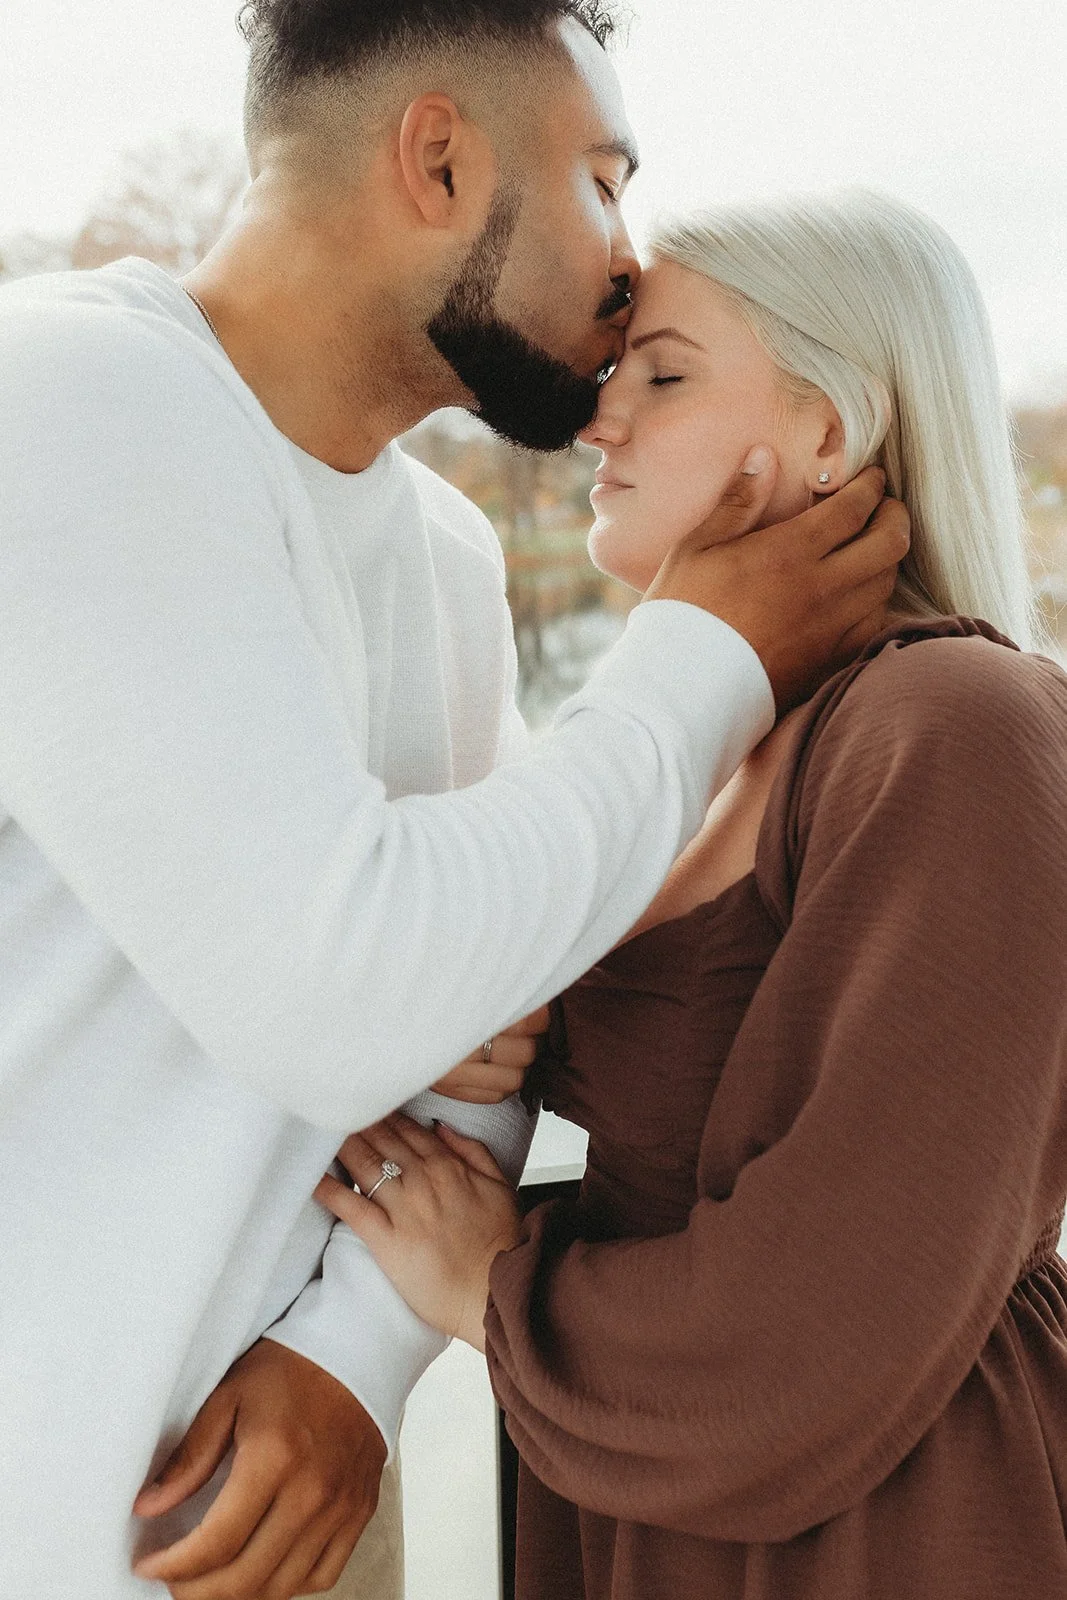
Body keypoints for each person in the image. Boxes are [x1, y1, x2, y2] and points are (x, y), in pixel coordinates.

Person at [0, 2, 909, 1597]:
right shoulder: (67, 400)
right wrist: (708, 659)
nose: (628, 257)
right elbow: (350, 992)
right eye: (603, 181)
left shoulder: (445, 556)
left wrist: (355, 1361)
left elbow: (480, 1033)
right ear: (438, 160)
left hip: (305, 1515)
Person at [318, 188, 1067, 1600]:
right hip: (654, 1502)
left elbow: (846, 1300)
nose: (597, 423)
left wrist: (492, 1279)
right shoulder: (700, 754)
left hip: (884, 1520)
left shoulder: (953, 721)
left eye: (661, 376)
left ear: (826, 430)